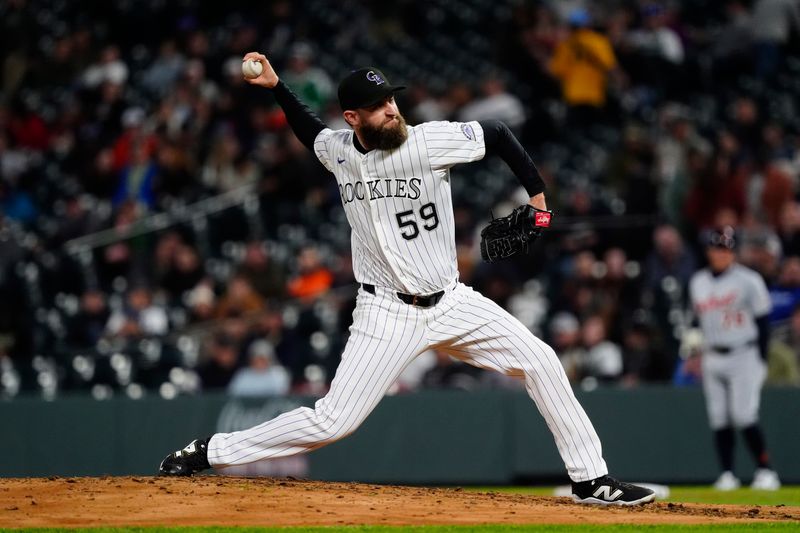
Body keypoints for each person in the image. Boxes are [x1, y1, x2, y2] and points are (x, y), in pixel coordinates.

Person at [158, 52, 655, 506]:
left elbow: (499, 134)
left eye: (391, 99)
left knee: (542, 360)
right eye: (377, 106)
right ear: (353, 118)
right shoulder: (340, 150)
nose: (392, 110)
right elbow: (311, 133)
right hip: (385, 312)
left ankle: (591, 479)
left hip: (452, 302)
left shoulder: (426, 141)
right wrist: (277, 87)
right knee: (335, 420)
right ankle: (212, 450)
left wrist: (538, 202)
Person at [687, 227, 781, 491]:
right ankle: (727, 473)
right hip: (712, 354)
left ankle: (766, 470)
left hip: (744, 352)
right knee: (719, 417)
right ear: (708, 251)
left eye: (725, 249)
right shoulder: (698, 282)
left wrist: (761, 359)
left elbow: (763, 323)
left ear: (733, 252)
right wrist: (694, 352)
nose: (720, 254)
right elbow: (696, 321)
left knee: (743, 414)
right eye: (716, 248)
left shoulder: (749, 280)